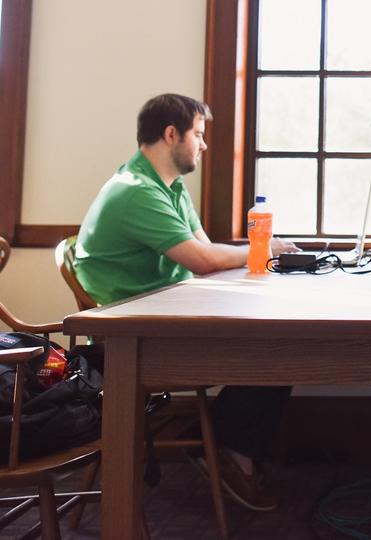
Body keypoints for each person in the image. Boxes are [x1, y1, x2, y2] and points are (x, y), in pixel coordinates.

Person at [75, 93, 299, 511]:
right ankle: (229, 452)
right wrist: (269, 249)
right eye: (198, 134)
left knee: (276, 340)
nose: (204, 144)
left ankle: (218, 439)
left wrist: (265, 252)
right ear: (171, 134)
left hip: (161, 317)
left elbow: (206, 253)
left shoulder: (169, 188)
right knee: (278, 348)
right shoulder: (136, 192)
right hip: (134, 337)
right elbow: (202, 260)